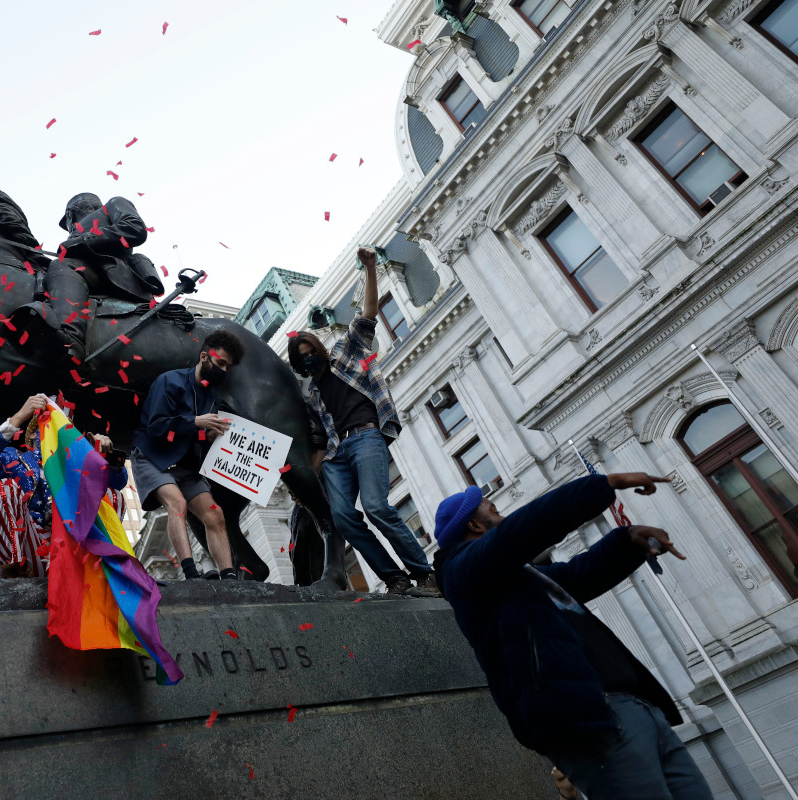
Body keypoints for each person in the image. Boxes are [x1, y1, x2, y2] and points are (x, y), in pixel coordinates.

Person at [432, 472, 714, 800]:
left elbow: (578, 575)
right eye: (494, 511)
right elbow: (520, 531)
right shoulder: (462, 572)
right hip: (589, 721)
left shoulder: (523, 577)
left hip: (637, 709)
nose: (504, 516)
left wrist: (627, 540)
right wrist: (603, 485)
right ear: (475, 526)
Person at [288, 245, 439, 597]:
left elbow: (368, 312)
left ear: (319, 350)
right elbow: (320, 440)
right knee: (343, 519)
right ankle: (394, 578)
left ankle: (424, 573)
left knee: (375, 506)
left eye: (311, 352)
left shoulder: (345, 352)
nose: (309, 360)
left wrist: (370, 268)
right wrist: (308, 479)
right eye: (302, 359)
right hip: (338, 453)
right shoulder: (311, 394)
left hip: (366, 437)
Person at [0, 393, 128, 579]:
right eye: (48, 425)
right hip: (29, 550)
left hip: (72, 548)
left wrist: (102, 455)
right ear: (31, 435)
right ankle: (13, 574)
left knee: (110, 496)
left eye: (61, 428)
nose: (55, 432)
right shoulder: (16, 458)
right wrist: (19, 416)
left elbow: (118, 483)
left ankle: (107, 570)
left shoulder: (78, 463)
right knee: (2, 489)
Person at [131, 329, 243, 581]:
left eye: (228, 367)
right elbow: (157, 427)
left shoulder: (214, 398)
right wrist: (195, 421)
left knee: (215, 513)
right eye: (220, 363)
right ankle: (191, 574)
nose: (223, 370)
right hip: (152, 456)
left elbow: (197, 436)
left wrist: (208, 436)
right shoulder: (169, 381)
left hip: (187, 464)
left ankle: (229, 577)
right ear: (204, 356)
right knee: (177, 504)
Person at [12, 192, 164, 358]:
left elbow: (135, 228)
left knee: (63, 265)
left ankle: (71, 336)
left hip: (116, 272)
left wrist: (84, 239)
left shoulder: (114, 203)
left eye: (68, 223)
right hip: (93, 272)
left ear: (70, 214)